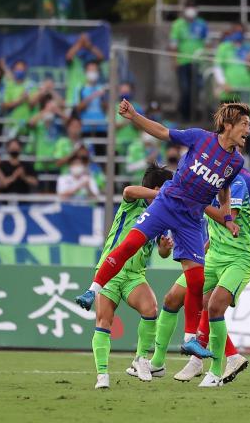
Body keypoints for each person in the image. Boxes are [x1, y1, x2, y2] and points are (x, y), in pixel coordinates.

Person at [74, 98, 249, 366]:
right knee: (131, 243)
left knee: (197, 280)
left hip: (191, 219)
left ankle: (189, 338)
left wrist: (227, 217)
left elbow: (223, 187)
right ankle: (92, 290)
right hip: (168, 203)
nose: (248, 129)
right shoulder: (200, 138)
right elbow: (162, 131)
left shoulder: (236, 161)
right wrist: (134, 116)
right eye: (244, 124)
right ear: (228, 125)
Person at [144, 167, 250, 383]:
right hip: (212, 256)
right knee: (173, 297)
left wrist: (198, 202)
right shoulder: (206, 185)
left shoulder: (238, 182)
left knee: (213, 306)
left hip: (238, 258)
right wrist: (200, 250)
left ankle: (214, 370)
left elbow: (227, 217)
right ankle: (158, 362)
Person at [91, 164, 174, 388]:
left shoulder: (162, 217)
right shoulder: (133, 203)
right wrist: (160, 195)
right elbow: (128, 190)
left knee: (151, 309)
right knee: (104, 321)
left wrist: (165, 247)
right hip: (110, 271)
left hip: (134, 275)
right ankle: (102, 375)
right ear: (157, 189)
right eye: (168, 188)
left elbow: (163, 254)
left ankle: (140, 359)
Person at [170, 0, 208, 121]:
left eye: (193, 7)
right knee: (185, 89)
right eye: (189, 7)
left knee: (197, 89)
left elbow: (207, 43)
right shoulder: (177, 24)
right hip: (183, 62)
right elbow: (173, 44)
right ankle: (183, 113)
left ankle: (193, 113)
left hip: (199, 62)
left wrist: (207, 59)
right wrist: (174, 60)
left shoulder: (202, 24)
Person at [214, 23, 250, 99]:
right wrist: (223, 83)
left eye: (241, 32)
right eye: (236, 31)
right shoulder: (224, 47)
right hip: (228, 91)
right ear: (232, 32)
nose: (238, 34)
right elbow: (218, 67)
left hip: (246, 90)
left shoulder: (248, 48)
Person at [65, 33, 105, 105]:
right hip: (71, 99)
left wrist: (89, 46)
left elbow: (101, 57)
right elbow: (68, 56)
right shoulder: (74, 62)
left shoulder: (89, 62)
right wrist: (80, 43)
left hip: (88, 100)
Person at [2, 60, 38, 135]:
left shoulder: (31, 85)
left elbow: (33, 105)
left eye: (21, 70)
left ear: (25, 70)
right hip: (11, 126)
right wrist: (20, 100)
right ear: (13, 70)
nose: (19, 72)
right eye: (17, 69)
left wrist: (27, 98)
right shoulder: (9, 85)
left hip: (27, 126)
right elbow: (4, 105)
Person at [73, 61, 108, 136]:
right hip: (85, 127)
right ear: (85, 72)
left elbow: (106, 109)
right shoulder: (80, 88)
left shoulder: (102, 88)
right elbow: (77, 108)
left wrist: (103, 99)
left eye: (95, 70)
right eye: (90, 70)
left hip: (101, 127)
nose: (92, 73)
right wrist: (93, 95)